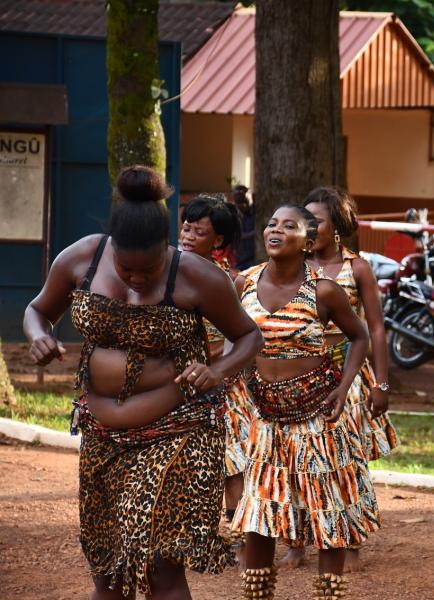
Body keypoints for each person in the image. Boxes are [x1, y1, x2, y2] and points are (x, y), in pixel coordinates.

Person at [23, 166, 262, 599]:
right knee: (108, 567)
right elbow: (38, 310)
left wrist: (218, 369)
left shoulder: (196, 275)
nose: (135, 279)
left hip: (177, 432)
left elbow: (249, 335)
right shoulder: (82, 257)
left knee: (158, 566)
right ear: (111, 247)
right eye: (126, 268)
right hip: (101, 437)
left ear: (165, 250)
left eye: (148, 269)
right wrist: (40, 336)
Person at [230, 202, 380, 599]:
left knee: (325, 509)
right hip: (266, 419)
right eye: (271, 223)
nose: (275, 231)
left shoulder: (323, 290)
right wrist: (233, 375)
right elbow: (233, 336)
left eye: (288, 226)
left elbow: (360, 335)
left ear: (307, 241)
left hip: (317, 417)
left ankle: (327, 593)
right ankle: (257, 594)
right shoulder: (244, 282)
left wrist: (344, 387)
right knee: (260, 515)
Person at [299, 186, 398, 572]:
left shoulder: (356, 268)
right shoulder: (291, 265)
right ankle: (299, 538)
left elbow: (376, 330)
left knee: (345, 462)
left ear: (336, 227)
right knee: (300, 458)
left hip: (348, 375)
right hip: (302, 378)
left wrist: (382, 384)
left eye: (316, 221)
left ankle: (351, 539)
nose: (308, 227)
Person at [178, 194, 254, 553]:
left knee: (232, 459)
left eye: (199, 231)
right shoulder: (168, 271)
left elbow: (240, 336)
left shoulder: (227, 281)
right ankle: (189, 532)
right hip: (177, 383)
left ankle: (238, 532)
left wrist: (217, 369)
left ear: (219, 241)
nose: (188, 235)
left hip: (222, 383)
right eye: (186, 227)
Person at [232, 185, 256, 271]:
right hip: (239, 260)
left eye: (244, 202)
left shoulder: (257, 213)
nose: (242, 206)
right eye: (239, 203)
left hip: (255, 258)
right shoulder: (232, 214)